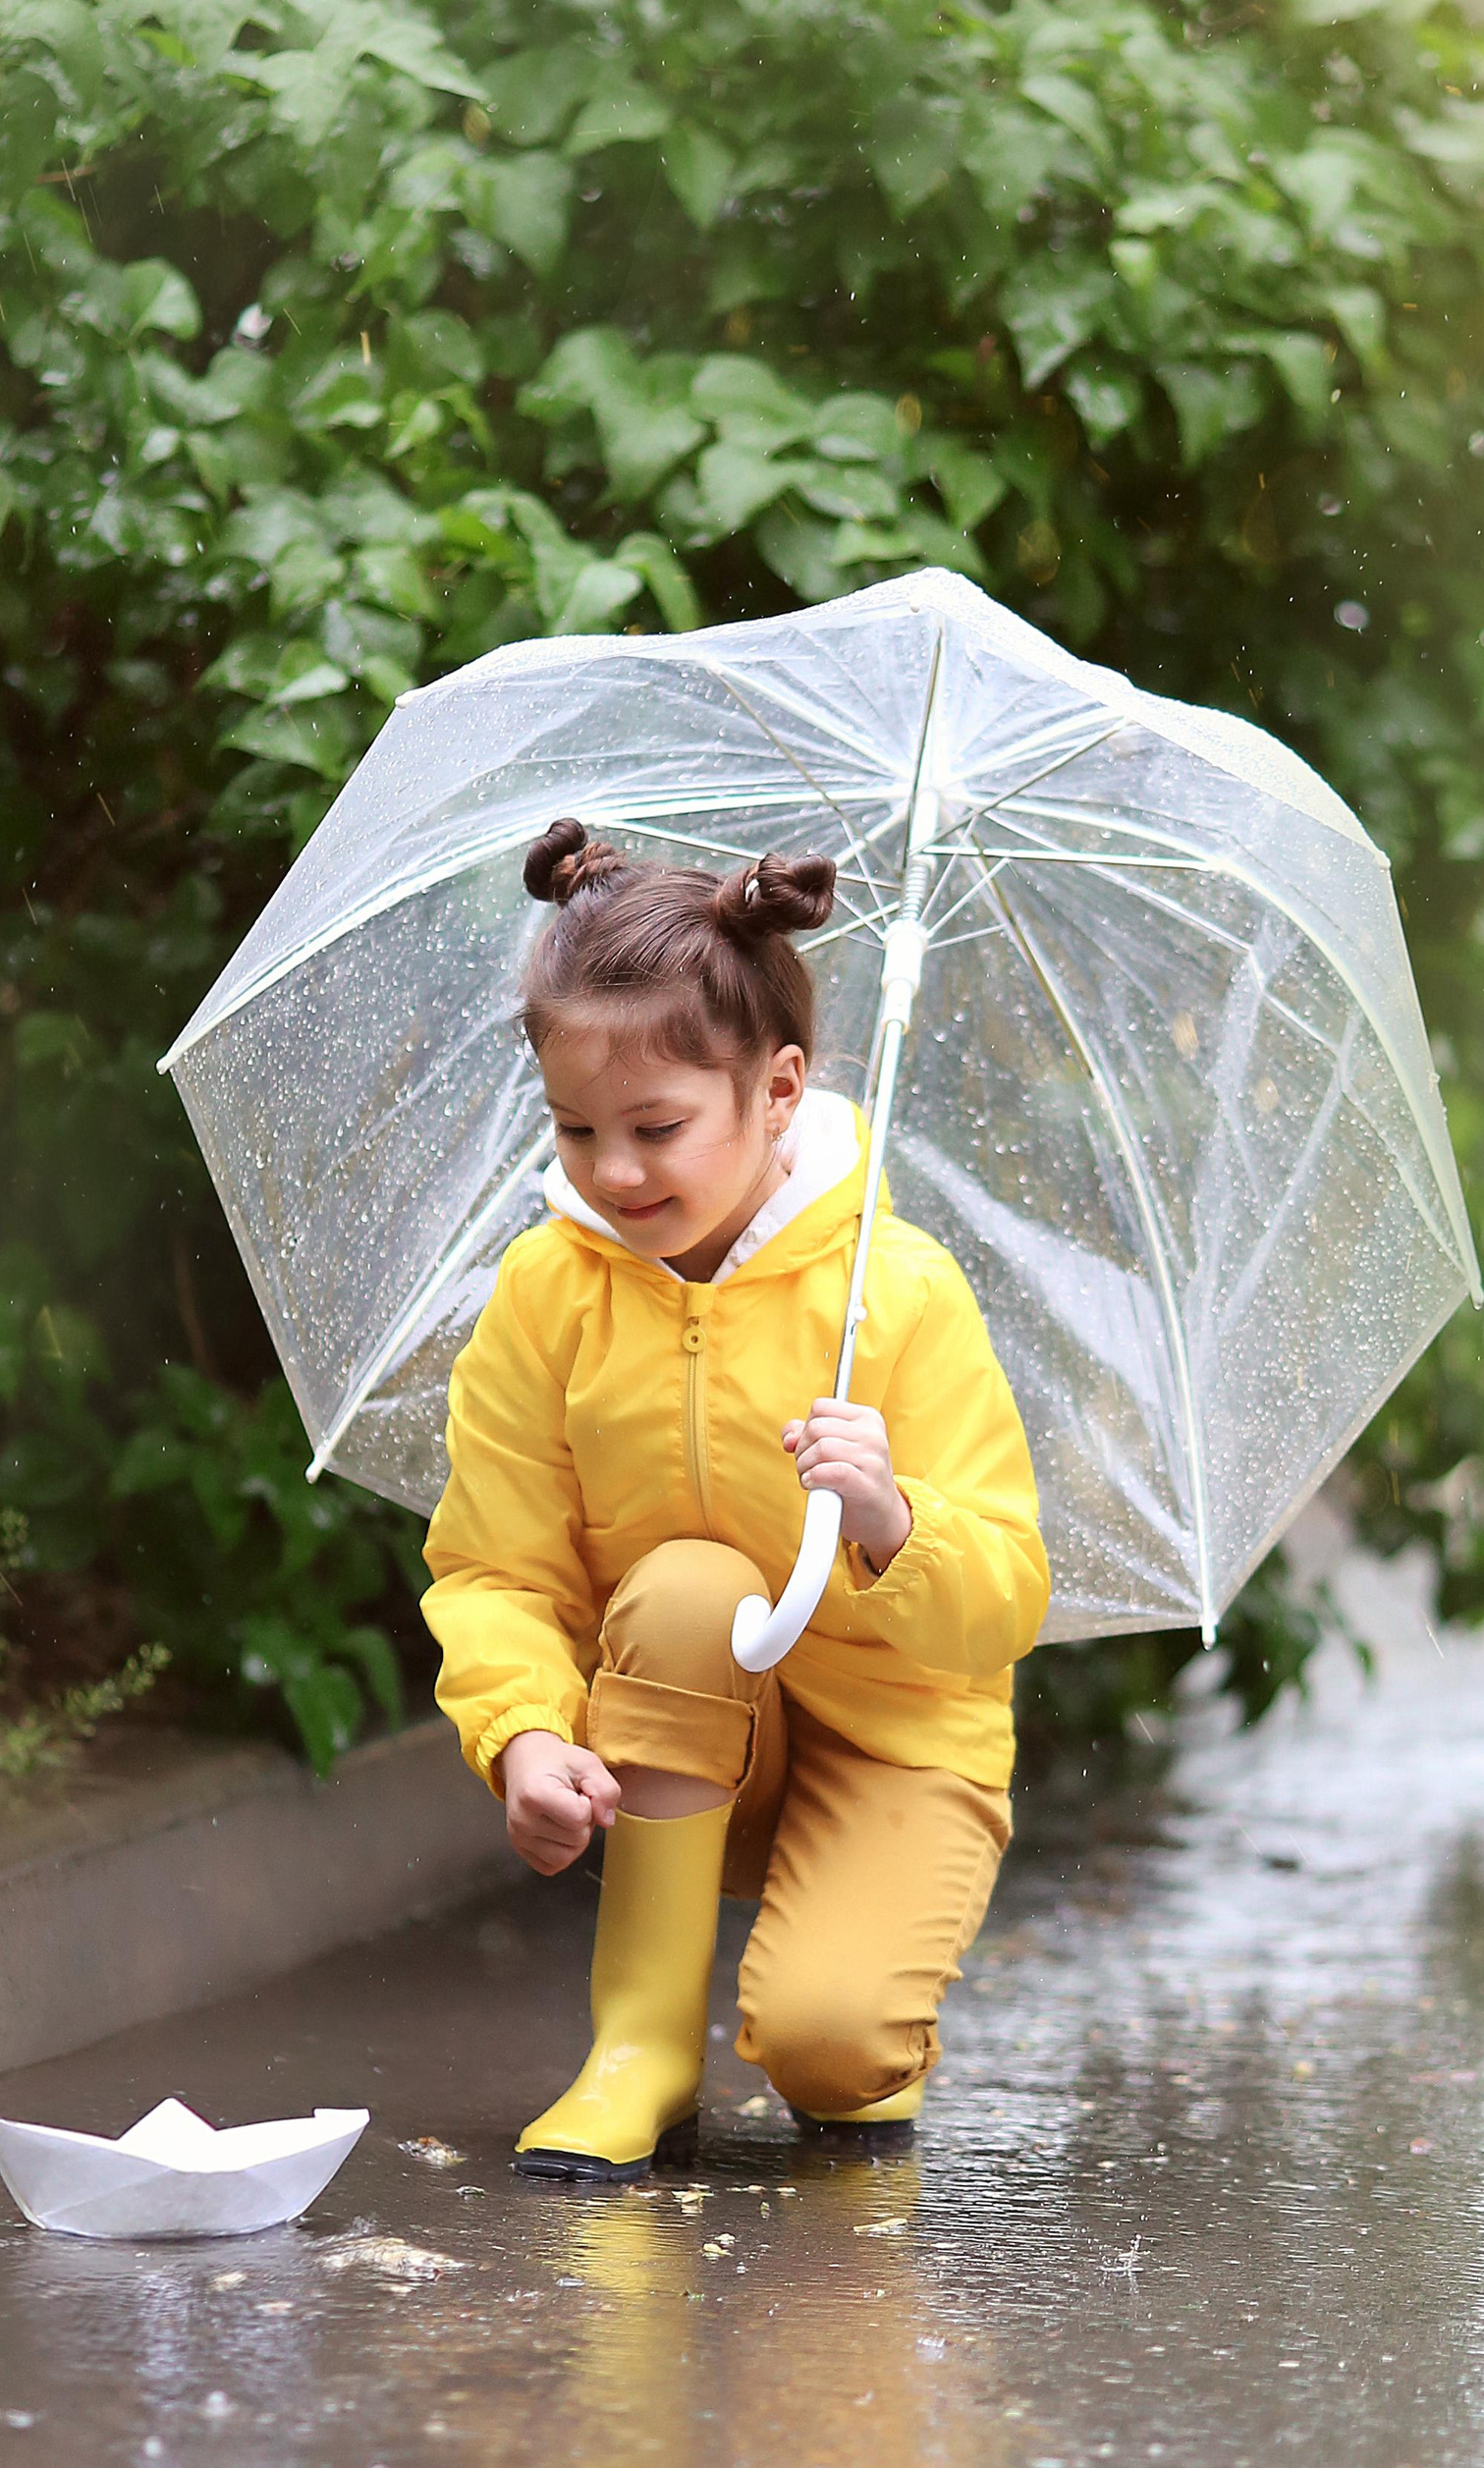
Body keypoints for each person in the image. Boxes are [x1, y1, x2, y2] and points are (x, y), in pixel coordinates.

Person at [421, 818, 1051, 2180]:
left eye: (658, 1128)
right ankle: (640, 2049)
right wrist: (522, 1733)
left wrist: (892, 1520)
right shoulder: (549, 1293)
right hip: (688, 1735)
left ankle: (853, 2004)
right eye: (576, 1129)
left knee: (831, 2045)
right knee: (691, 1584)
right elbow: (498, 1568)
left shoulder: (897, 1290)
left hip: (898, 1741)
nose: (615, 1171)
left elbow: (1006, 1596)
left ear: (778, 1090)